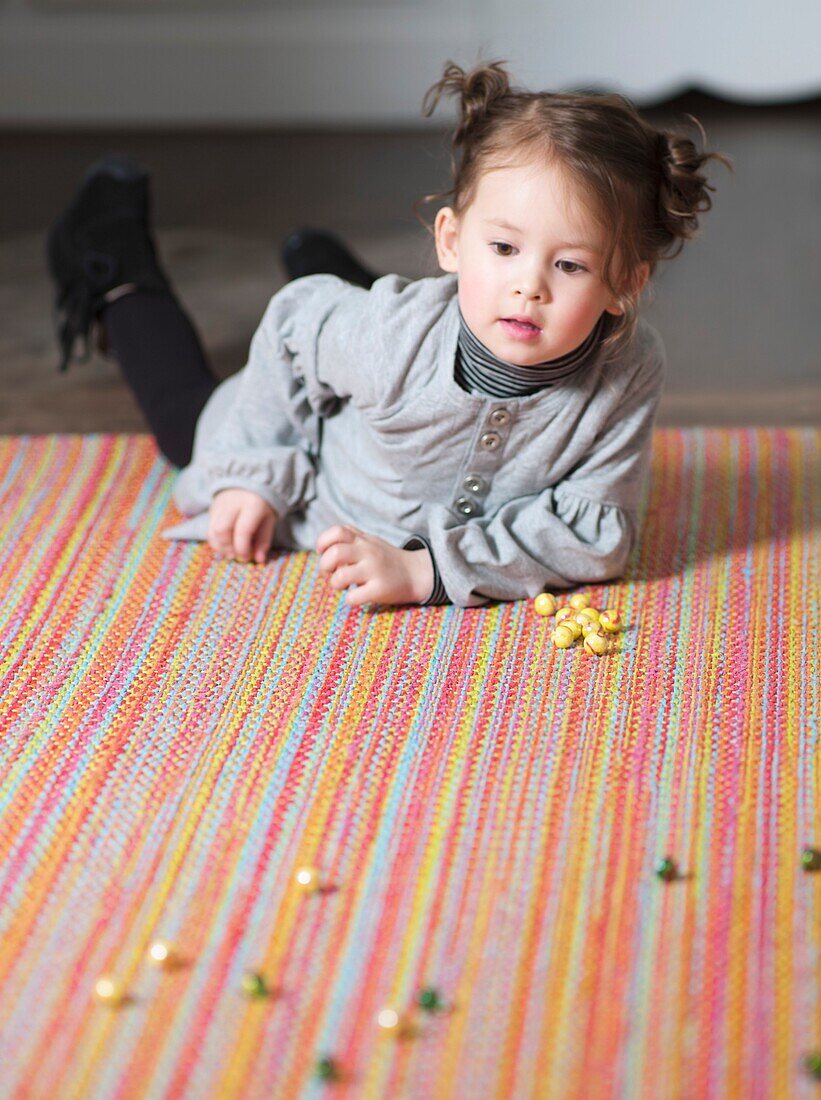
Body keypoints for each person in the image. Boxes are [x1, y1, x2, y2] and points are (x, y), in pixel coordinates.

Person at [45, 59, 730, 609]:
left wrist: (427, 571)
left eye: (571, 264)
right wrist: (251, 476)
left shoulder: (627, 368)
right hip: (317, 464)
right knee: (184, 420)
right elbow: (293, 327)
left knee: (386, 320)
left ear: (625, 285)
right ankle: (111, 260)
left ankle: (328, 255)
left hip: (385, 347)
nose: (531, 286)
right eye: (502, 249)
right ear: (451, 241)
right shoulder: (391, 337)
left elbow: (591, 535)